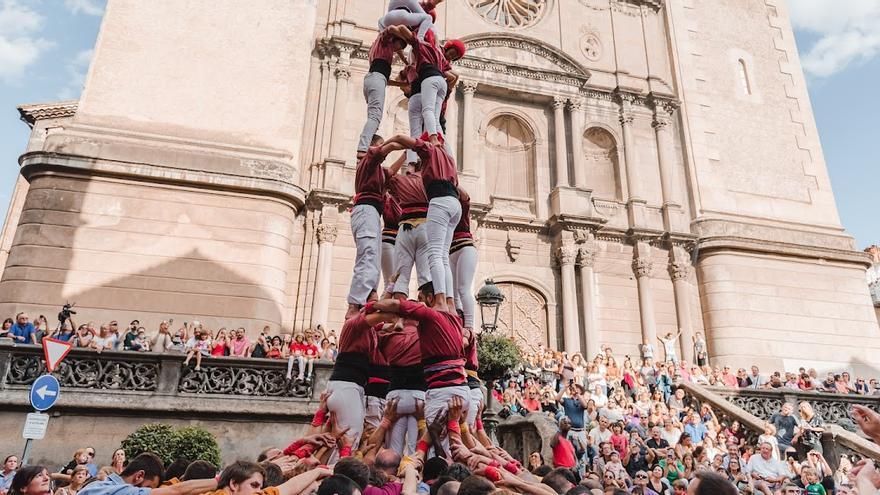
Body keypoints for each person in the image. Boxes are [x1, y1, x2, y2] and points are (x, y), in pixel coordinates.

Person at [346, 135, 407, 319]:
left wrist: (406, 154)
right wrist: (407, 142)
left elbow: (392, 171)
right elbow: (385, 149)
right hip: (366, 210)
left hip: (371, 213)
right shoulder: (368, 160)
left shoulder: (378, 171)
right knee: (368, 255)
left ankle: (367, 296)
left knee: (372, 257)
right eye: (379, 145)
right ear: (373, 146)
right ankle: (355, 303)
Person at [357, 30, 407, 158]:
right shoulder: (384, 42)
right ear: (394, 40)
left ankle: (368, 145)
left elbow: (384, 79)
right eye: (400, 45)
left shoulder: (380, 52)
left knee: (373, 119)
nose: (399, 49)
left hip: (373, 80)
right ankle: (363, 148)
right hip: (376, 80)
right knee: (375, 117)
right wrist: (404, 59)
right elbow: (389, 29)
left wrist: (402, 84)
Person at [78, 453, 216, 495]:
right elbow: (176, 490)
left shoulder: (97, 486)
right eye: (148, 487)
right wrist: (220, 480)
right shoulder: (120, 491)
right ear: (139, 476)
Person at [449, 188, 476, 332]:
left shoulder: (460, 205)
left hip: (464, 247)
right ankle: (457, 323)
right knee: (453, 293)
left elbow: (466, 197)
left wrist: (452, 183)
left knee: (463, 289)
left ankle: (470, 327)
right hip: (451, 251)